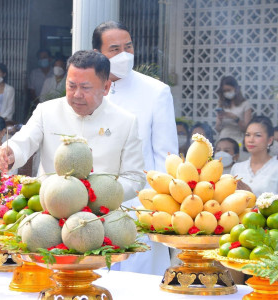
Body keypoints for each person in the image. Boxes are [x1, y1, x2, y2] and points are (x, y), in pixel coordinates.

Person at [0, 50, 145, 201]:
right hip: (50, 210)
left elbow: (134, 177)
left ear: (106, 87)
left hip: (102, 213)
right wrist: (10, 151)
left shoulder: (126, 121)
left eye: (86, 88)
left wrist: (101, 194)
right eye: (71, 86)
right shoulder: (46, 111)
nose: (77, 94)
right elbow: (25, 140)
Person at [92, 21, 177, 275]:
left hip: (140, 207)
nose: (124, 55)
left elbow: (166, 156)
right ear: (98, 53)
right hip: (94, 209)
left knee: (140, 282)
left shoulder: (156, 92)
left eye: (128, 47)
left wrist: (160, 207)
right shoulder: (87, 91)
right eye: (115, 49)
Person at [231, 115, 278, 197]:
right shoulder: (237, 168)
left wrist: (251, 195)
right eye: (248, 135)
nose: (251, 140)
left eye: (257, 135)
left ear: (270, 140)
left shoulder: (275, 168)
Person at [215, 76, 252, 148]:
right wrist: (220, 119)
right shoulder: (221, 104)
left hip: (238, 140)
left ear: (236, 89)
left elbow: (247, 129)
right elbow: (217, 129)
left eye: (228, 90)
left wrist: (235, 118)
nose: (226, 93)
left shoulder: (245, 104)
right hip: (223, 139)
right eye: (224, 91)